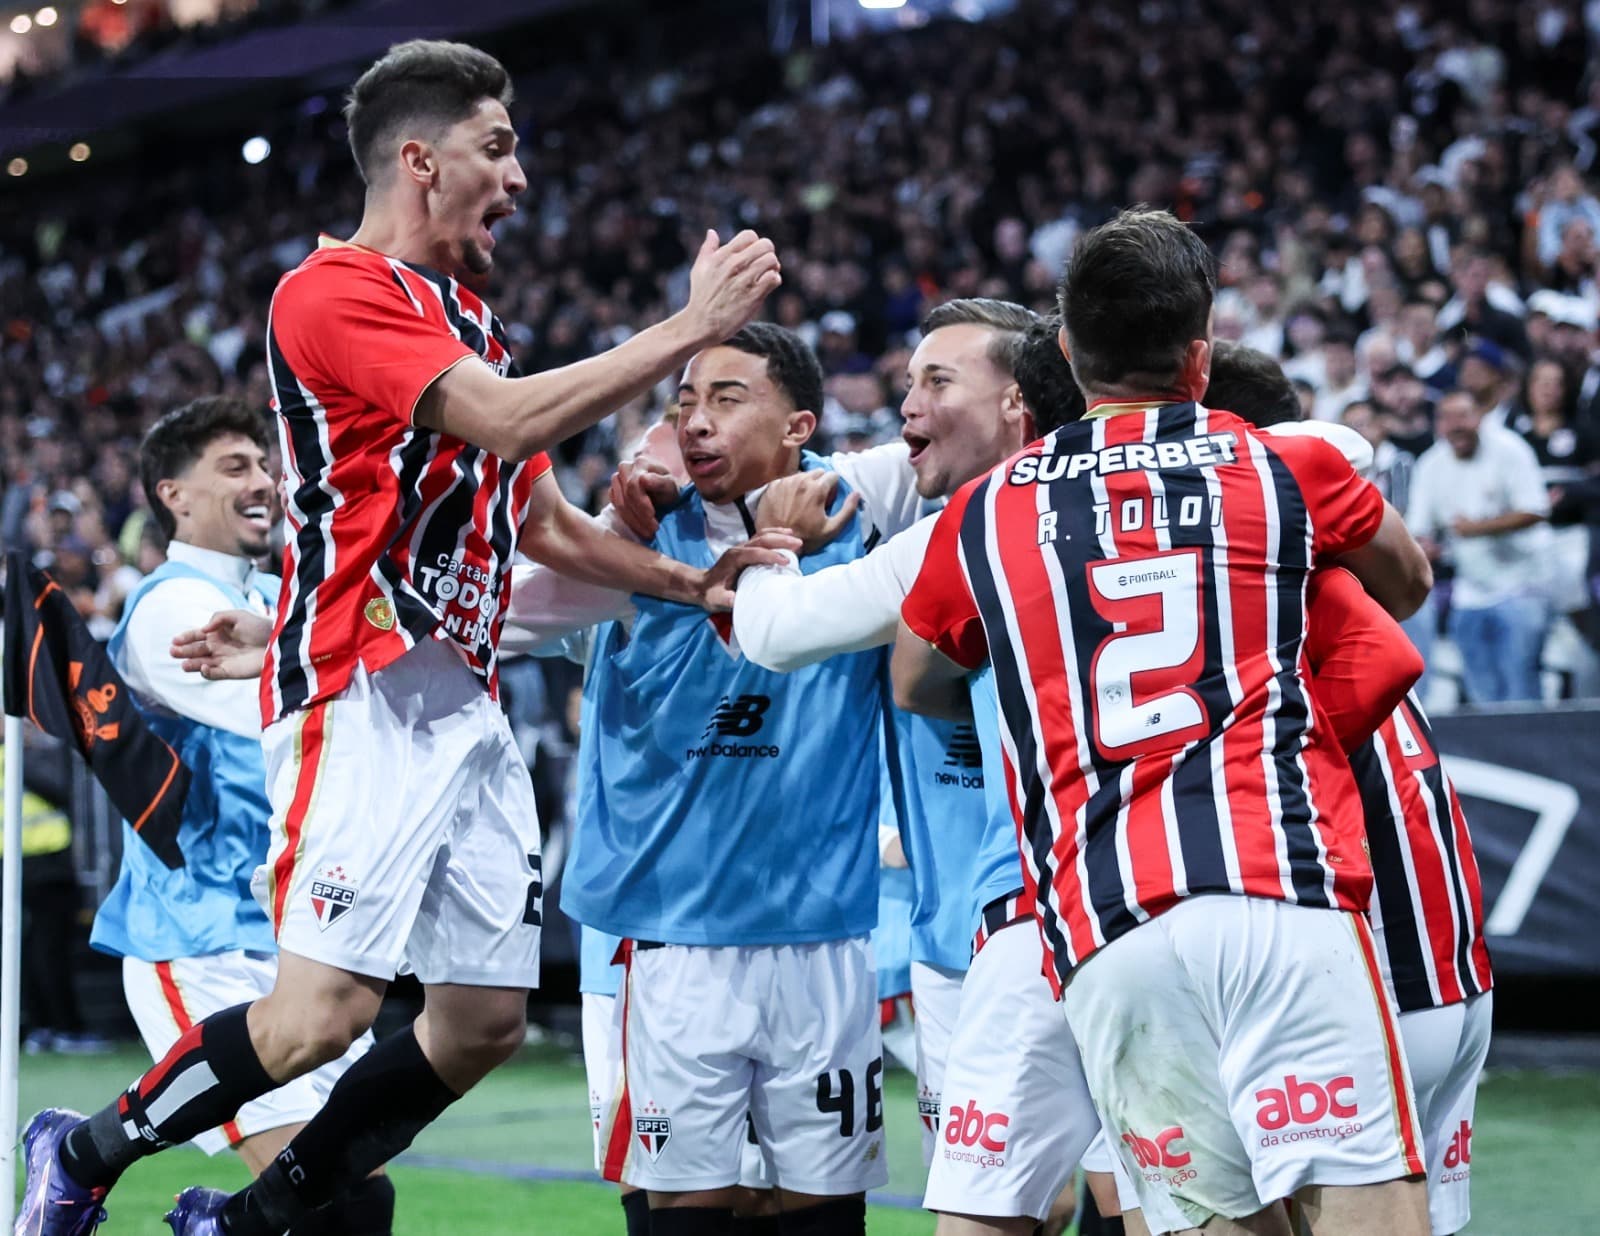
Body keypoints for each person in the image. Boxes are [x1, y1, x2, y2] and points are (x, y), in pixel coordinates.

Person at [17, 39, 784, 1236]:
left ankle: (256, 1217)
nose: (519, 177)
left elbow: (548, 528)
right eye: (498, 145)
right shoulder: (330, 292)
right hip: (358, 687)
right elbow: (497, 417)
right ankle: (86, 1151)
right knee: (315, 1016)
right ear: (418, 160)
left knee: (478, 1023)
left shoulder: (471, 315)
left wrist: (702, 585)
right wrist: (688, 330)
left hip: (461, 704)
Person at [894, 208, 1435, 1236]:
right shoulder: (1286, 466)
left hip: (1107, 925)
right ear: (1198, 355)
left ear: (1064, 349)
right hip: (1278, 886)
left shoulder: (988, 511)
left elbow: (918, 675)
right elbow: (1404, 587)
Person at [511, 322, 923, 1234]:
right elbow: (492, 618)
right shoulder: (628, 549)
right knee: (687, 1215)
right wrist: (617, 525)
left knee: (819, 1217)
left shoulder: (864, 520)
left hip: (820, 933)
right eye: (683, 402)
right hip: (664, 943)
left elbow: (973, 445)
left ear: (798, 426)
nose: (695, 423)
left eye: (727, 400)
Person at [733, 309, 1108, 1236]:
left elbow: (778, 632)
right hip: (1115, 896)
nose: (909, 405)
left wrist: (771, 542)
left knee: (993, 1206)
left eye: (936, 382)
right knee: (1141, 1192)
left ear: (1018, 401)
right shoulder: (1124, 499)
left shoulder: (971, 527)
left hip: (1011, 921)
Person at [97, 398, 391, 1232]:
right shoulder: (167, 609)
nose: (264, 481)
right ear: (174, 495)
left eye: (265, 465)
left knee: (358, 1192)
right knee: (341, 1206)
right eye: (235, 468)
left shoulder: (284, 596)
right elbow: (292, 713)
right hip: (199, 939)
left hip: (302, 939)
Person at [1406, 390, 1552, 704]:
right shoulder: (1431, 464)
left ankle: (1530, 753)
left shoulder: (1510, 449)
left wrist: (1476, 528)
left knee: (1520, 686)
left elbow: (1537, 509)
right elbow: (1420, 528)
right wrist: (1426, 547)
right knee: (1480, 690)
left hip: (1522, 585)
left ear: (1479, 418)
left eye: (1463, 416)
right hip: (1470, 591)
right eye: (1446, 418)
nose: (1455, 425)